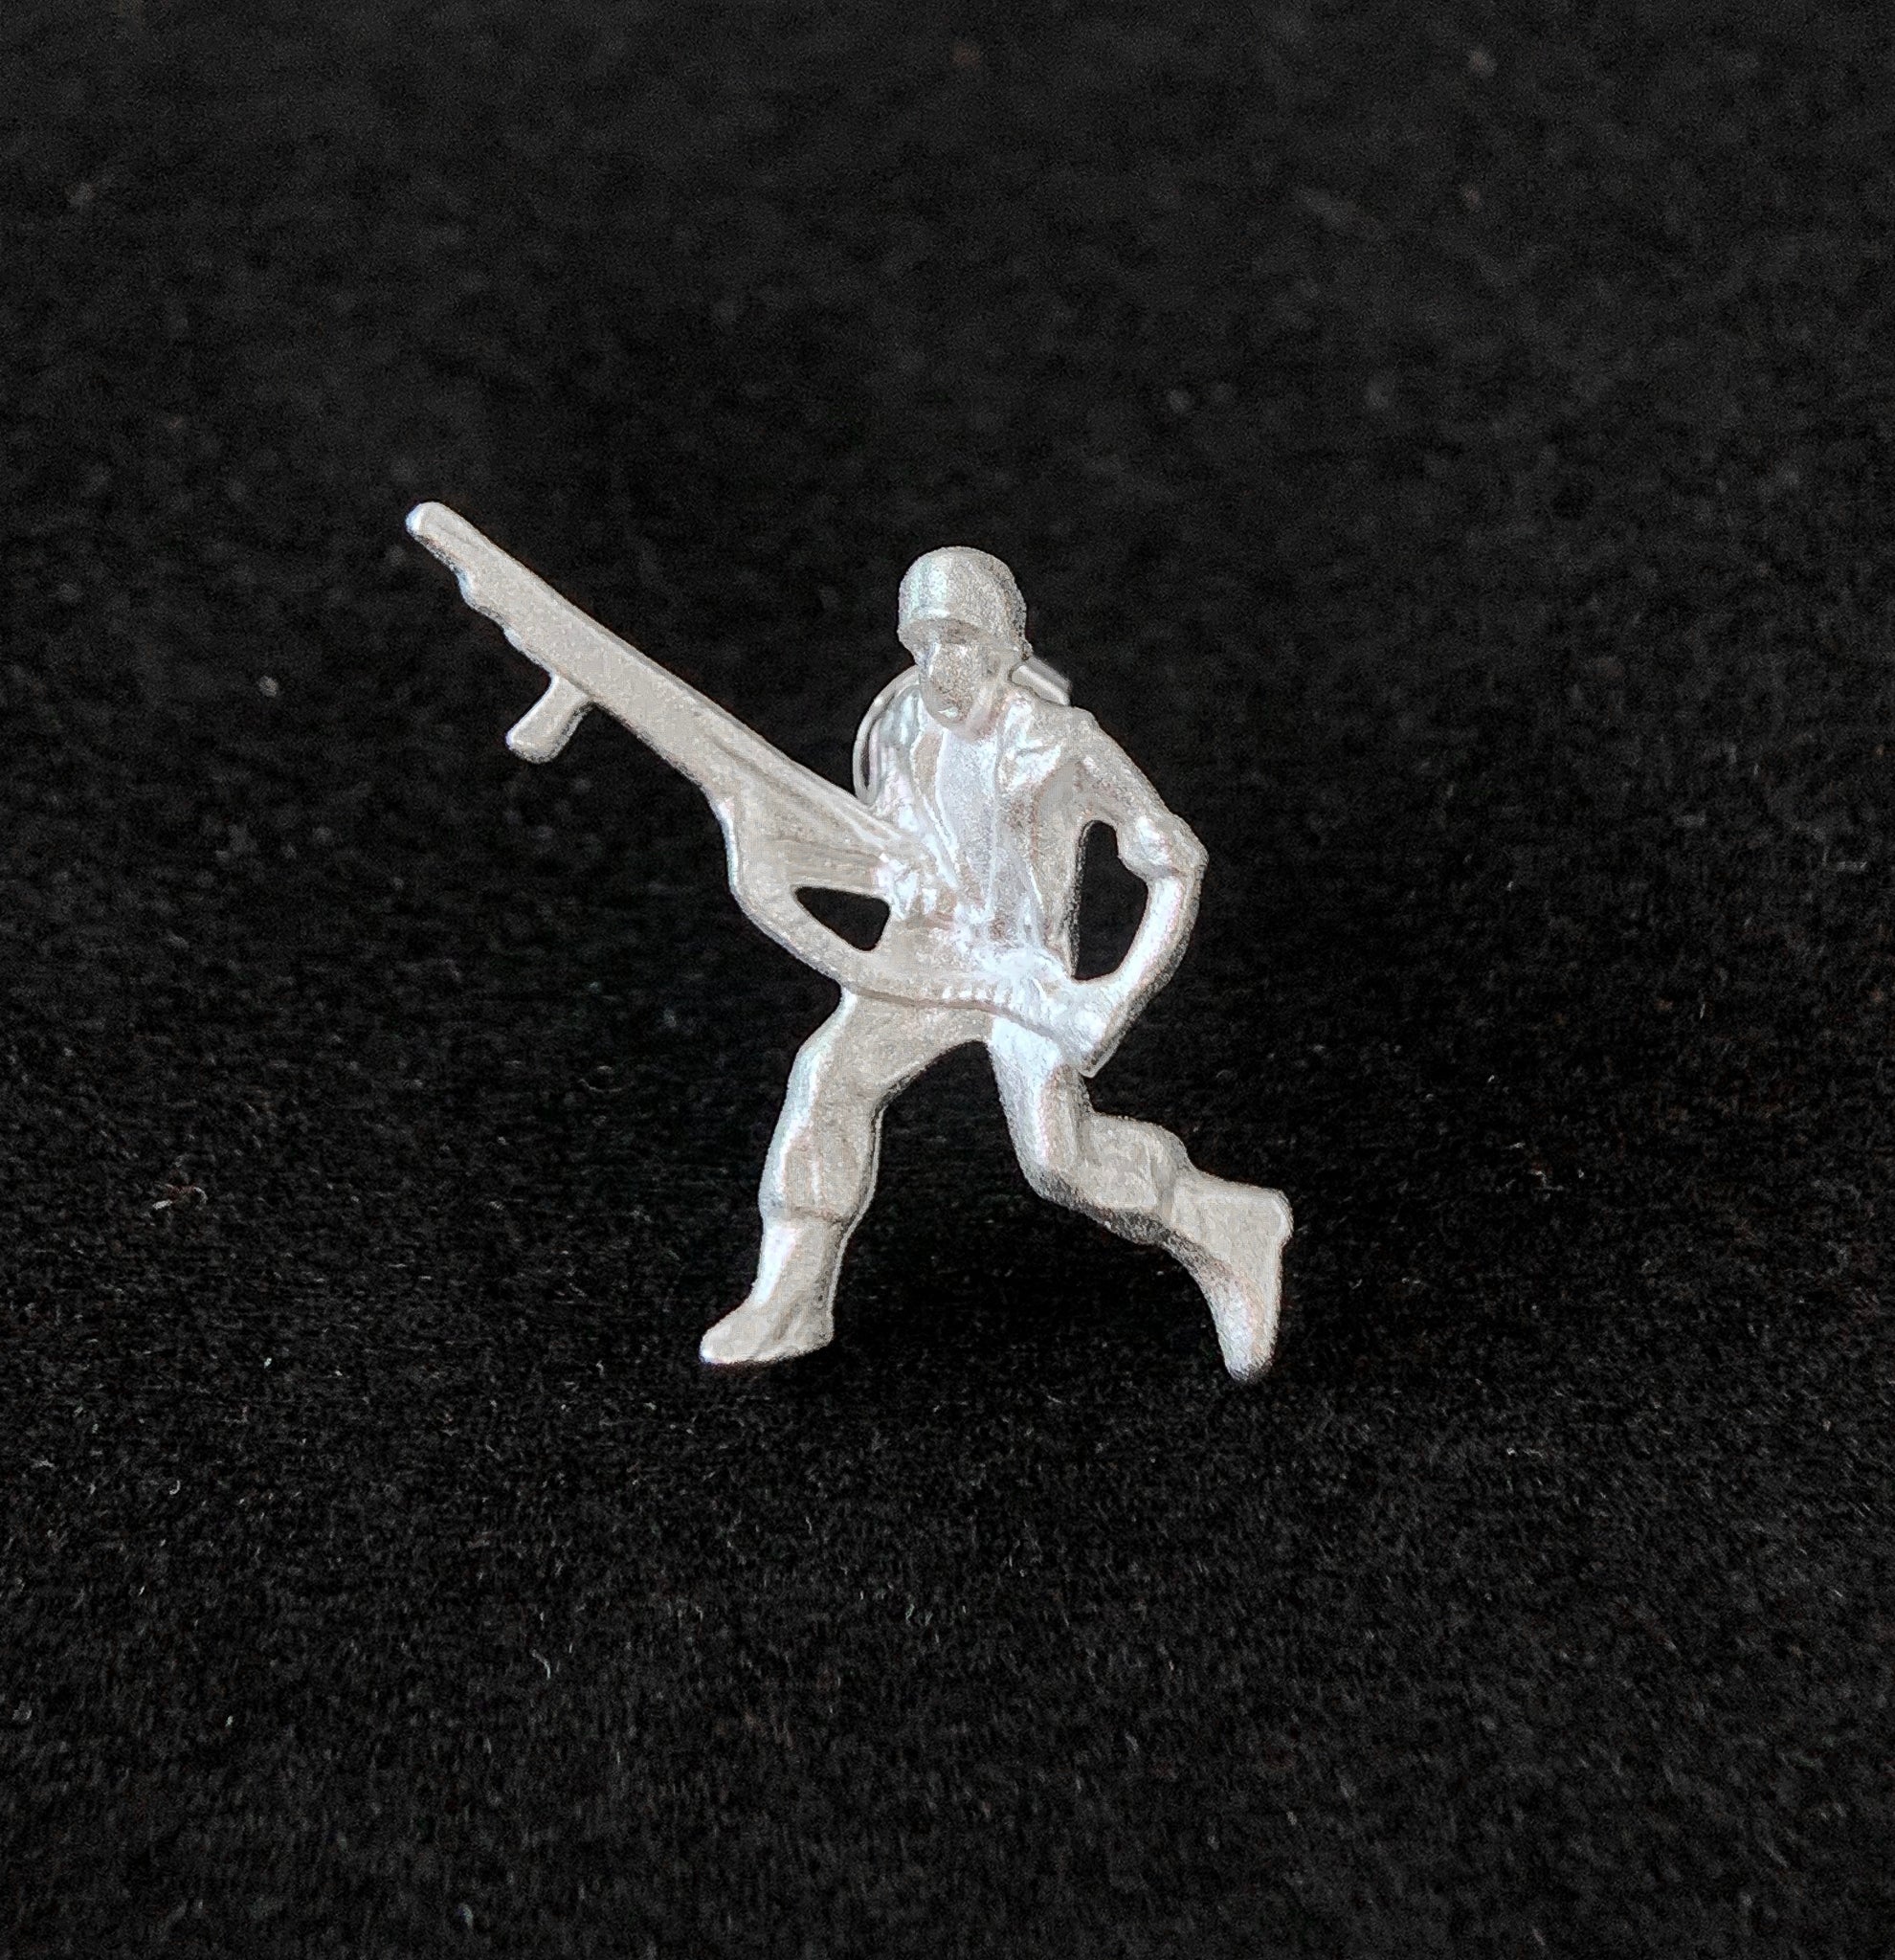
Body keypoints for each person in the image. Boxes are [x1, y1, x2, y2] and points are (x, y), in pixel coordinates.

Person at [700, 546, 1292, 1380]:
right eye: (922, 641)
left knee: (1060, 1161)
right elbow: (888, 845)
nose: (939, 664)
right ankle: (790, 1295)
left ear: (1009, 645)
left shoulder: (1062, 742)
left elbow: (1175, 862)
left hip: (1024, 972)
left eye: (960, 638)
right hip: (926, 956)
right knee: (829, 1074)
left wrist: (1118, 993)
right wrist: (868, 868)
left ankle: (1230, 1222)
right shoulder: (900, 726)